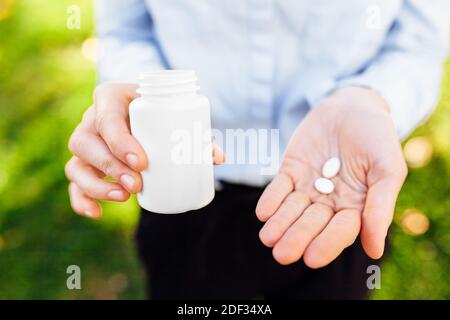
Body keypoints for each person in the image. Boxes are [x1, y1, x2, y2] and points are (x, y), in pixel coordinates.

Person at [64, 0, 449, 299]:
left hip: (337, 197)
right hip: (186, 191)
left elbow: (419, 42)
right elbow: (127, 31)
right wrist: (147, 102)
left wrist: (373, 99)